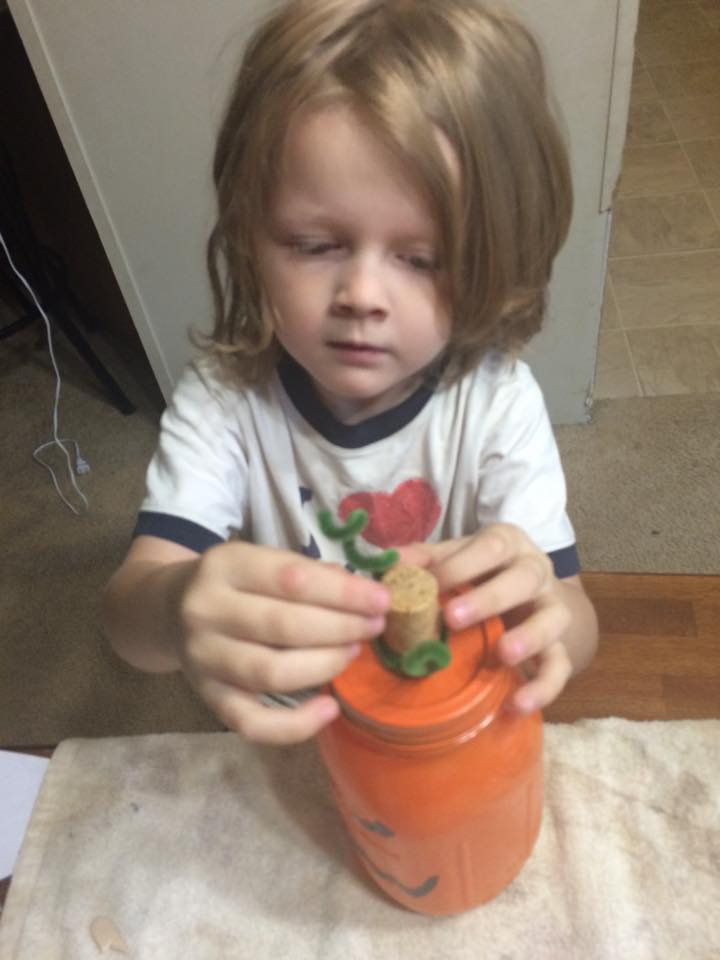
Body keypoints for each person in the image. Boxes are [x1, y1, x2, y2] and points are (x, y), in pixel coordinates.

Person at [102, 0, 598, 745]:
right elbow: (128, 616)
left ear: (492, 261)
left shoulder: (496, 402)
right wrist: (175, 608)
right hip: (295, 724)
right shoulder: (224, 400)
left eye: (422, 259)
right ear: (248, 235)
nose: (362, 295)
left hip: (440, 714)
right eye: (314, 245)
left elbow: (575, 619)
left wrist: (551, 621)